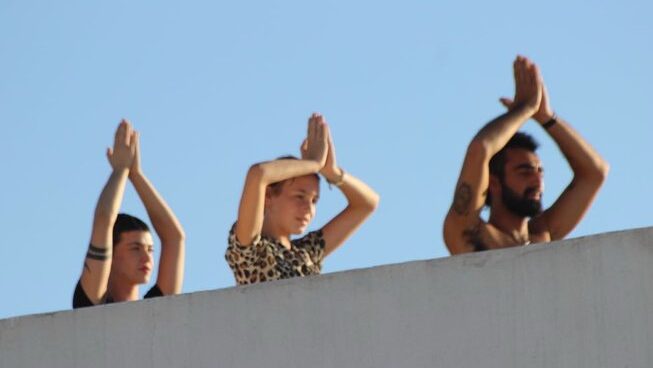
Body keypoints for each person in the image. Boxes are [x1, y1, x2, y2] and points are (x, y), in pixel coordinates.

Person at [443, 56, 609, 254]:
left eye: (541, 172)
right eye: (525, 172)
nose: (538, 180)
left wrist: (546, 117)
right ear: (493, 182)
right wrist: (525, 109)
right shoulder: (470, 232)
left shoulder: (544, 235)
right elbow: (480, 148)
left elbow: (595, 172)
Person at [226, 113, 379, 285]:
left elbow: (367, 203)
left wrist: (332, 173)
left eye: (314, 201)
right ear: (268, 196)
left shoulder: (307, 253)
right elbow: (258, 174)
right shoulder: (251, 250)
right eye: (299, 197)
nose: (309, 208)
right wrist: (314, 163)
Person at [73, 120, 185, 308]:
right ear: (112, 254)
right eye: (135, 248)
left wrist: (136, 174)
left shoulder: (155, 309)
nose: (147, 258)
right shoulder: (93, 302)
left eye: (150, 249)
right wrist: (120, 170)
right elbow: (103, 221)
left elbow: (175, 238)